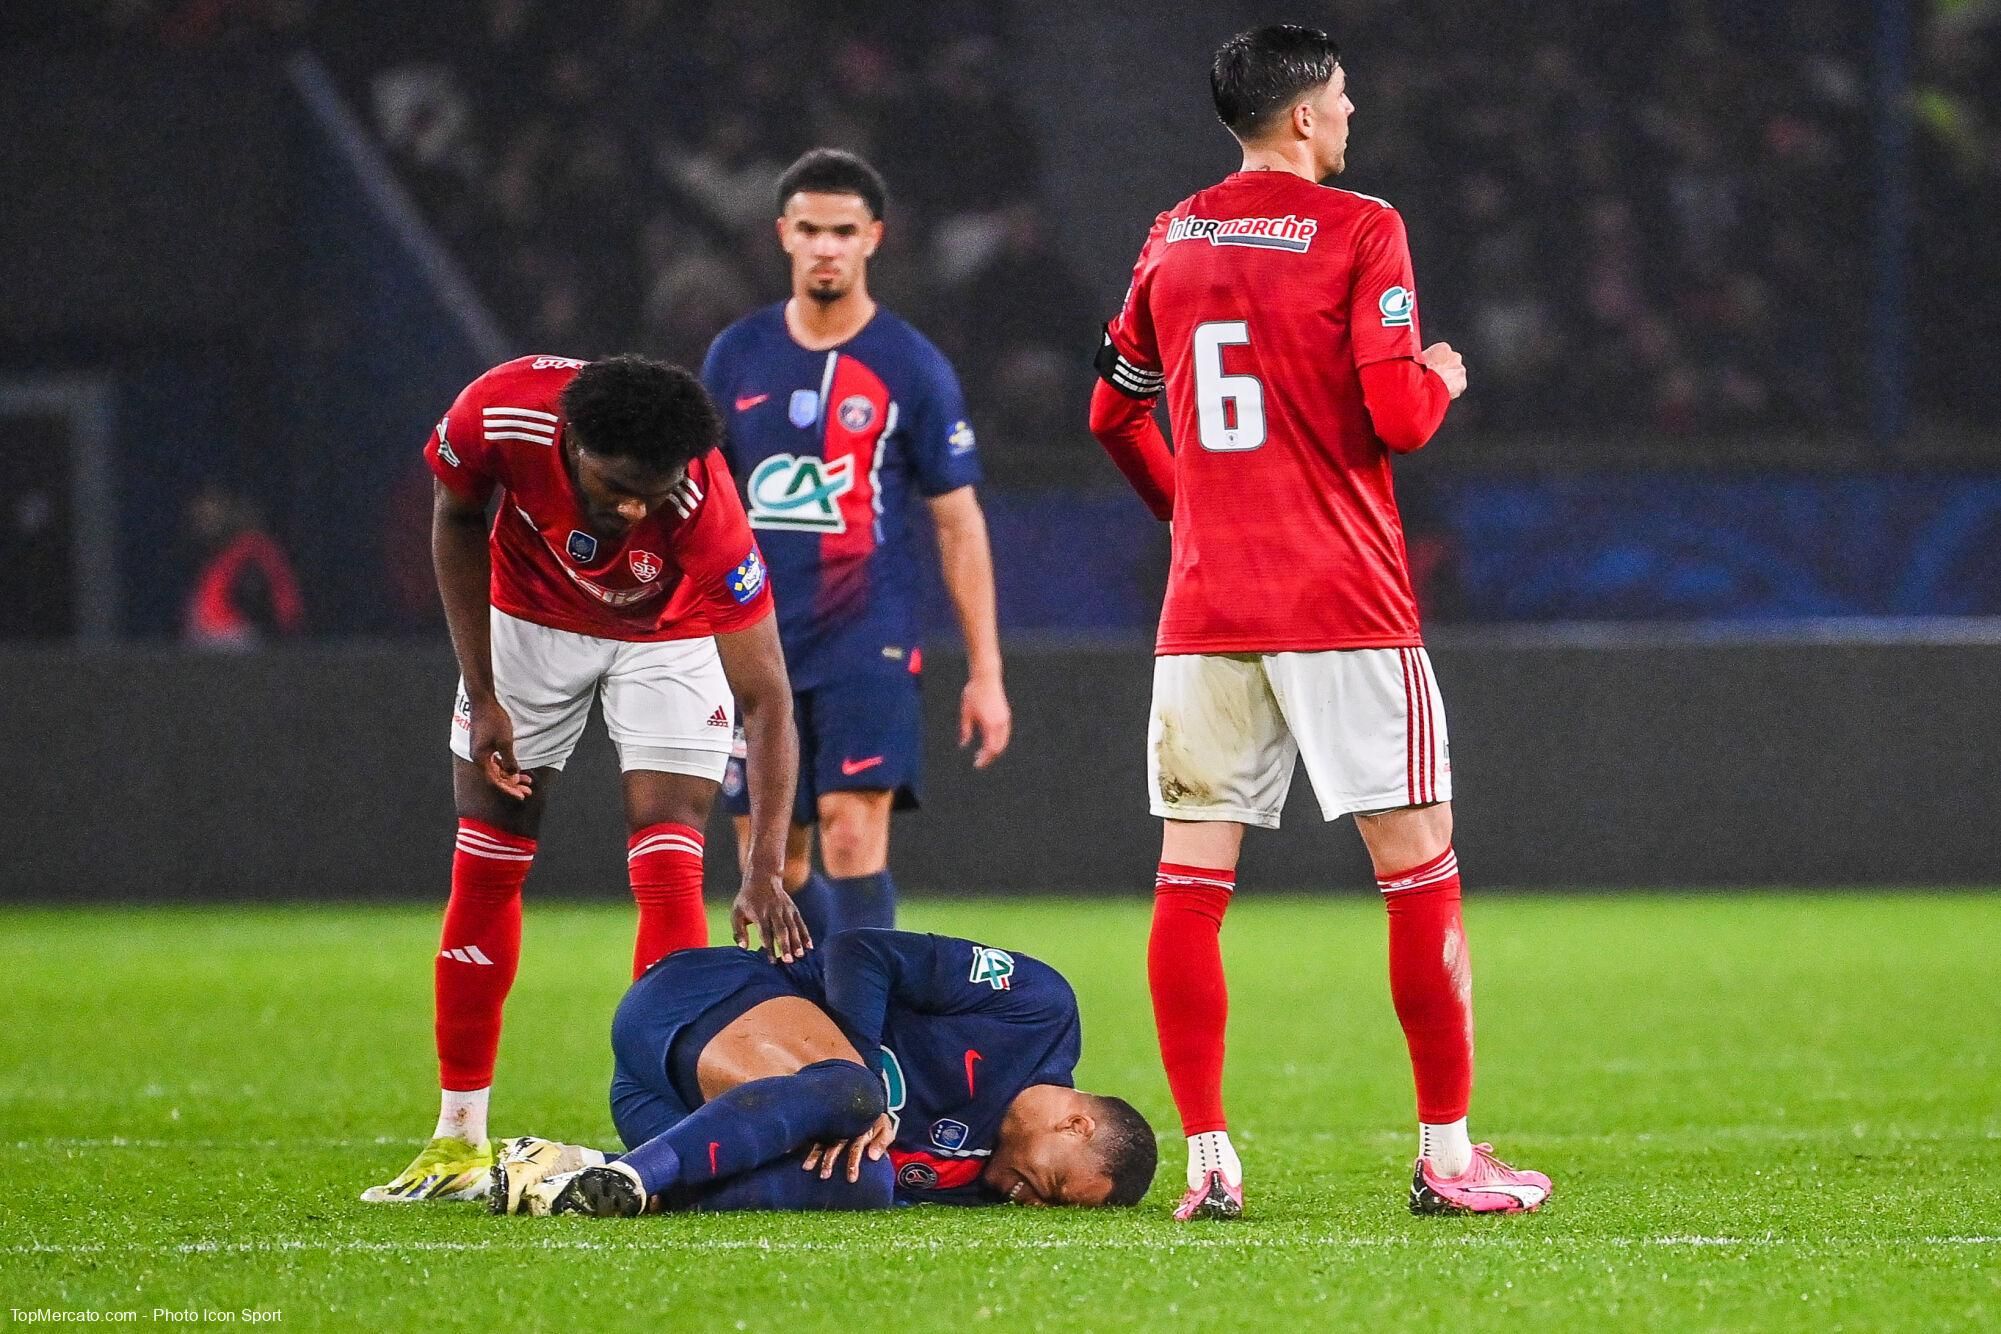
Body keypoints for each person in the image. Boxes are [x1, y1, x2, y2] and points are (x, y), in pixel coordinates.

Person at [1087, 25, 1552, 1221]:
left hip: (1206, 607)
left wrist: (1195, 513)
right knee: (1420, 876)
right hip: (1340, 600)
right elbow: (1397, 413)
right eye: (1341, 97)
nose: (1351, 114)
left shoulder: (1171, 232)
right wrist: (1445, 374)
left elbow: (1110, 412)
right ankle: (1449, 1158)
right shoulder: (1361, 227)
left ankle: (1207, 1157)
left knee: (1190, 885)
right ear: (1302, 116)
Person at [364, 354, 810, 1203]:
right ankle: (456, 1141)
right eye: (615, 486)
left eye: (654, 489)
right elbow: (454, 519)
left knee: (669, 858)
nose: (635, 507)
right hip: (526, 619)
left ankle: (667, 1147)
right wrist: (485, 689)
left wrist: (761, 868)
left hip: (669, 635)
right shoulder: (496, 413)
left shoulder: (704, 509)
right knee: (489, 852)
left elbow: (769, 699)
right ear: (570, 443)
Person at [701, 149, 1011, 941]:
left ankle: (869, 1038)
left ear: (874, 237)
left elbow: (957, 522)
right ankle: (813, 1032)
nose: (826, 246)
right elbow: (702, 507)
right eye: (810, 229)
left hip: (866, 635)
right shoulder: (735, 356)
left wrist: (985, 671)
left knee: (849, 831)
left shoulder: (912, 365)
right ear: (783, 236)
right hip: (753, 637)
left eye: (843, 230)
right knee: (773, 861)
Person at [489, 929, 1158, 1214]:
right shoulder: (1037, 1010)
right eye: (1048, 1186)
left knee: (867, 1181)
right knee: (851, 1093)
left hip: (670, 1115)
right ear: (1075, 1123)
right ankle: (639, 1178)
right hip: (700, 1002)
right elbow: (858, 950)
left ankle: (577, 1170)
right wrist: (864, 1080)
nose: (1028, 1201)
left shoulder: (974, 1182)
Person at [181, 485, 305, 648]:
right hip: (207, 635)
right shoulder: (215, 551)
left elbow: (284, 598)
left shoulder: (254, 547)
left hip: (233, 637)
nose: (204, 516)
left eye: (211, 508)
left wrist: (286, 630)